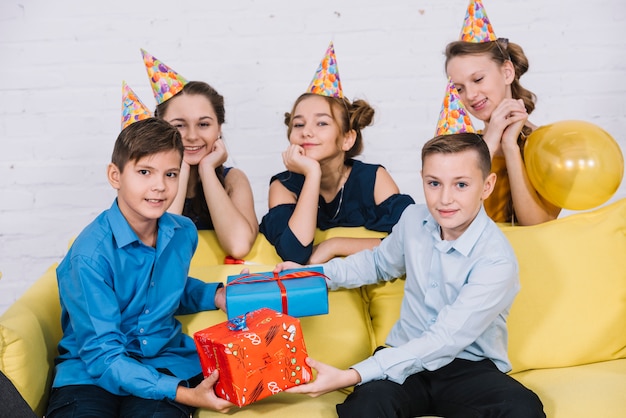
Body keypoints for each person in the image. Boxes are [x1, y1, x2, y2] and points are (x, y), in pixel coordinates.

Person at [278, 133, 546, 417]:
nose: (445, 199)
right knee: (367, 406)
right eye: (434, 183)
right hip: (401, 358)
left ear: (486, 186)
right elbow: (378, 264)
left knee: (522, 409)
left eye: (461, 185)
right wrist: (312, 274)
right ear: (422, 179)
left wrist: (353, 374)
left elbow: (444, 339)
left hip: (468, 367)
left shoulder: (496, 260)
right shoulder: (413, 220)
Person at [45, 117, 233, 417]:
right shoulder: (89, 257)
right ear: (115, 175)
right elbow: (104, 357)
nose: (159, 186)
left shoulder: (183, 233)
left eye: (171, 174)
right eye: (145, 172)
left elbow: (161, 289)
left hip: (163, 360)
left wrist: (217, 295)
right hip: (90, 374)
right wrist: (184, 394)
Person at [259, 43, 414, 264]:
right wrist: (312, 173)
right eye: (298, 125)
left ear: (347, 138)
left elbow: (411, 241)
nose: (307, 132)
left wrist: (335, 245)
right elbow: (294, 254)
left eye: (321, 123)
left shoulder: (374, 179)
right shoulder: (283, 186)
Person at [444, 0, 561, 225]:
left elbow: (536, 224)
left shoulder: (547, 145)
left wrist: (509, 146)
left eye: (478, 79)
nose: (470, 95)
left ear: (507, 72)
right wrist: (490, 140)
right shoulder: (459, 146)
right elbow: (455, 220)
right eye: (459, 88)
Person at [144, 49, 258, 259]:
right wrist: (182, 168)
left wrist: (207, 170)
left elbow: (239, 246)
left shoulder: (234, 180)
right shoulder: (145, 182)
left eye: (203, 124)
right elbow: (162, 249)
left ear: (219, 128)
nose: (192, 136)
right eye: (179, 125)